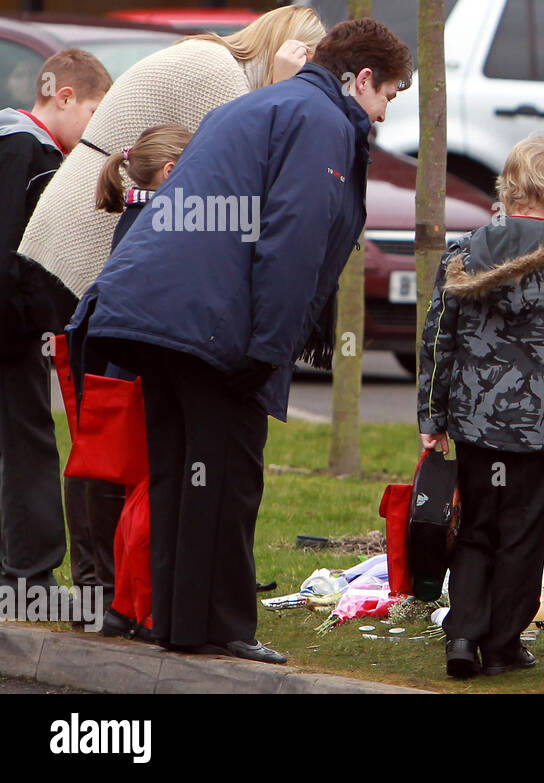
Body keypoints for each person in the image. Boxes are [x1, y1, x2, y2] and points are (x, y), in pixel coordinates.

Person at [67, 18, 412, 664]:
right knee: (227, 472)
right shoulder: (324, 121)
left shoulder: (257, 105)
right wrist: (269, 348)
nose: (385, 114)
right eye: (388, 94)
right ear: (361, 79)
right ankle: (222, 624)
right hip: (210, 325)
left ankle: (177, 621)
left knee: (179, 471)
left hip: (149, 309)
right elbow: (294, 237)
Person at [20, 3, 325, 609]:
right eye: (307, 58)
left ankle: (119, 581)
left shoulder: (213, 61)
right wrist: (289, 90)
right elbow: (248, 161)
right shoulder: (218, 72)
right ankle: (100, 587)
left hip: (103, 238)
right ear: (286, 46)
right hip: (89, 243)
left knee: (111, 417)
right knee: (104, 421)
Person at [418, 133, 544, 679]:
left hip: (475, 423)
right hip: (537, 429)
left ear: (510, 187)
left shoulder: (466, 252)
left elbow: (439, 339)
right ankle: (502, 643)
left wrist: (432, 418)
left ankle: (463, 634)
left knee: (477, 526)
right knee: (524, 535)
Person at [0, 48, 111, 592]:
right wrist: (32, 322)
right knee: (28, 442)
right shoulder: (30, 150)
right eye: (94, 113)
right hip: (11, 329)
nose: (95, 129)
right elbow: (19, 253)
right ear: (64, 96)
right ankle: (29, 572)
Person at [88, 123, 192, 639]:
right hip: (146, 378)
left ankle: (122, 604)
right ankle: (140, 607)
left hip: (123, 375)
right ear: (173, 172)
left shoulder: (133, 213)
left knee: (133, 491)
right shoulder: (162, 221)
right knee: (152, 492)